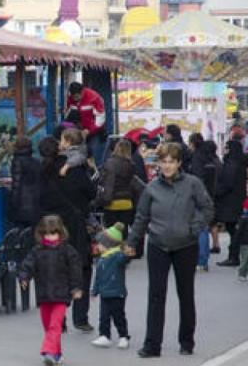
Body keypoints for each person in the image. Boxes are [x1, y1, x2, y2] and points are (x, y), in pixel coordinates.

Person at [127, 142, 214, 358]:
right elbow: (141, 217)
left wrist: (195, 228)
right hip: (158, 244)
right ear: (158, 163)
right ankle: (152, 344)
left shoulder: (193, 183)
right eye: (163, 161)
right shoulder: (152, 188)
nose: (167, 166)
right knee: (156, 295)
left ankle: (186, 341)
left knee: (186, 294)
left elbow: (207, 207)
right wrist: (131, 242)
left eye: (171, 162)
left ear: (179, 163)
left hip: (186, 245)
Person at [38, 136, 96, 333]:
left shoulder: (46, 169)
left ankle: (59, 317)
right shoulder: (75, 169)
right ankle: (80, 317)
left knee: (58, 271)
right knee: (82, 270)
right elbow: (91, 192)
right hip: (77, 225)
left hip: (55, 226)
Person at [19, 215, 83, 366]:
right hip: (44, 295)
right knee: (49, 327)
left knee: (55, 325)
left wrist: (76, 288)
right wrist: (24, 277)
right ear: (41, 234)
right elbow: (27, 265)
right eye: (46, 233)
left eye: (53, 233)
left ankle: (48, 350)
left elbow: (76, 270)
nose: (50, 237)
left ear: (60, 233)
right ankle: (56, 354)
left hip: (61, 295)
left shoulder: (67, 250)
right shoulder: (37, 250)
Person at [90, 223, 130, 350]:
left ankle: (123, 336)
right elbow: (98, 277)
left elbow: (124, 259)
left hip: (117, 293)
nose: (98, 246)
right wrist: (95, 290)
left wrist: (127, 254)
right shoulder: (102, 259)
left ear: (108, 244)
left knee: (118, 315)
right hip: (105, 293)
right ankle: (104, 335)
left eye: (100, 244)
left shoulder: (117, 256)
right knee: (104, 316)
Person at [216, 140, 248, 267]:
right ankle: (234, 255)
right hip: (239, 199)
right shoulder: (241, 162)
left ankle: (233, 256)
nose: (225, 150)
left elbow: (227, 184)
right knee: (234, 229)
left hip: (230, 201)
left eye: (227, 148)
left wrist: (216, 191)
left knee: (233, 229)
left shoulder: (232, 163)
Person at [189, 136, 220, 271]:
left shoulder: (197, 158)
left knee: (200, 229)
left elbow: (197, 178)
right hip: (210, 195)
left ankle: (200, 260)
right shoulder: (213, 159)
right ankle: (204, 260)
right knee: (204, 228)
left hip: (199, 196)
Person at [98, 139, 137, 231]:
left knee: (112, 234)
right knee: (123, 232)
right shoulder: (131, 165)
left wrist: (102, 201)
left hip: (112, 203)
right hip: (127, 203)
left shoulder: (110, 163)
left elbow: (108, 183)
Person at [66, 82, 105, 164]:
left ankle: (97, 171)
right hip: (79, 132)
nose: (75, 99)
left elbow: (100, 119)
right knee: (79, 155)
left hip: (95, 131)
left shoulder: (94, 97)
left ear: (82, 92)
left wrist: (89, 131)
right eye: (73, 97)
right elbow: (69, 115)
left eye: (77, 96)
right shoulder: (71, 99)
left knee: (94, 154)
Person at [9, 137, 42, 229]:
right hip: (35, 203)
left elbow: (16, 184)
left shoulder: (17, 161)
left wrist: (13, 203)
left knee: (20, 231)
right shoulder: (36, 161)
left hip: (22, 203)